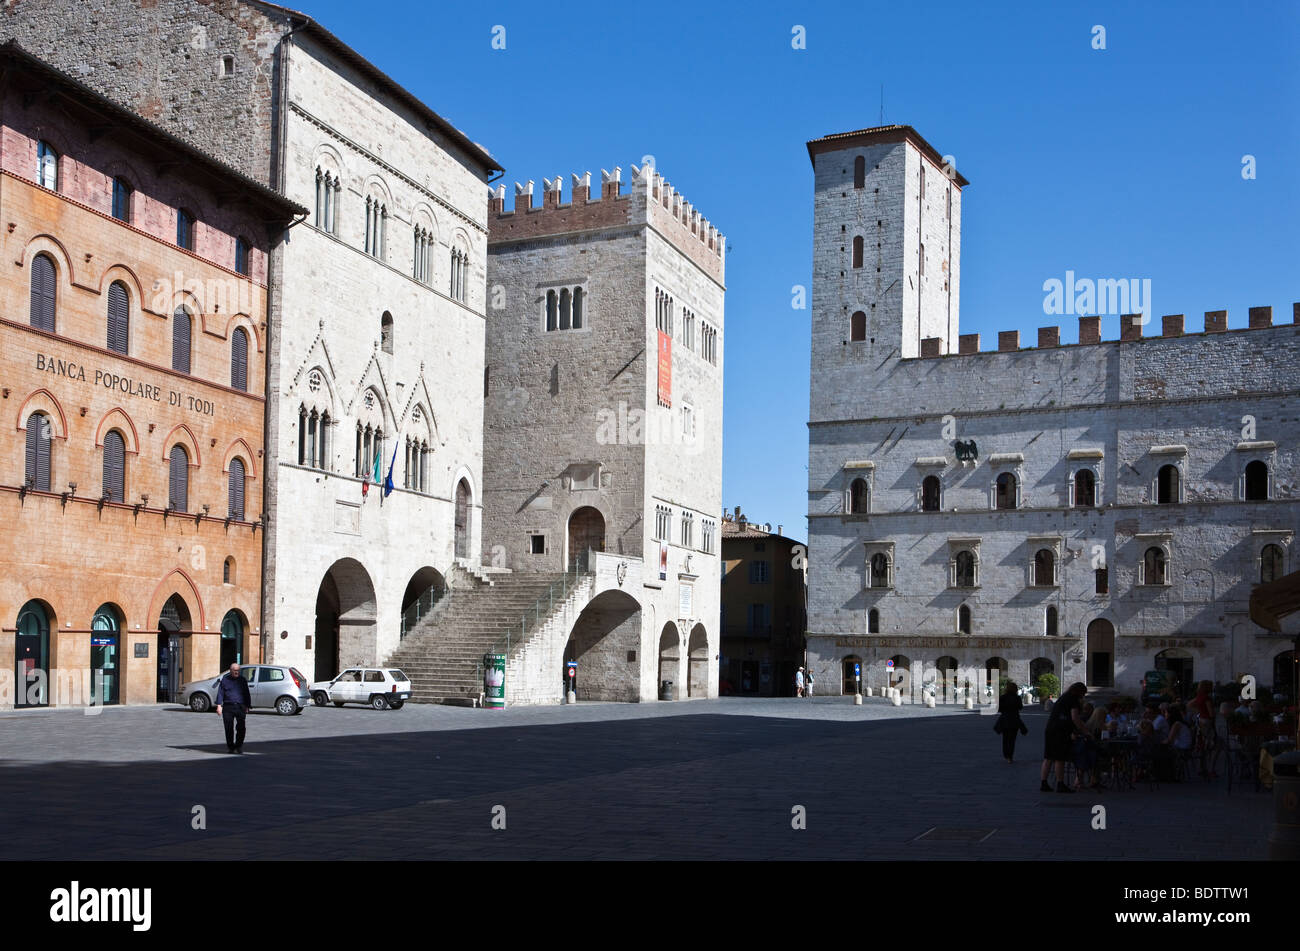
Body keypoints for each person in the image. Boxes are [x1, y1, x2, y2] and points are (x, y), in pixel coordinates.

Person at [1041, 681, 1089, 793]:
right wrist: (1085, 731)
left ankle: (1044, 783)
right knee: (1060, 758)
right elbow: (1075, 718)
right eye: (1083, 694)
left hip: (1050, 728)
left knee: (1048, 757)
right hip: (1060, 731)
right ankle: (1060, 784)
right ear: (1080, 692)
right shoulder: (1073, 700)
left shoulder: (1064, 697)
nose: (1084, 696)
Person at [215, 662, 252, 754]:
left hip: (240, 706)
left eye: (238, 671)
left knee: (241, 728)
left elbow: (246, 693)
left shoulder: (242, 680)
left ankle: (239, 746)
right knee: (228, 728)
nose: (237, 672)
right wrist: (219, 705)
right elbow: (220, 693)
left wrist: (247, 705)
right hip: (228, 707)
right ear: (231, 671)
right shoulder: (225, 680)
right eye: (235, 671)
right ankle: (231, 747)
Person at [997, 680, 1027, 763]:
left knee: (1005, 739)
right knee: (1012, 740)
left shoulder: (1002, 697)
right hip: (1015, 720)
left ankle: (1006, 755)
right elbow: (1020, 708)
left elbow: (999, 709)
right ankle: (1010, 756)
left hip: (1005, 720)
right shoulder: (1017, 698)